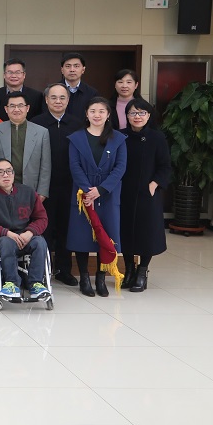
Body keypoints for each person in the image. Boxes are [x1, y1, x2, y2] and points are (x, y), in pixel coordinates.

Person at [68, 97, 127, 297]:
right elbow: (75, 166)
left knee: (106, 236)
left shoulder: (118, 139)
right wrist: (88, 190)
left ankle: (101, 278)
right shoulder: (76, 138)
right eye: (93, 111)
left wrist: (101, 190)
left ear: (108, 114)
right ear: (86, 114)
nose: (97, 115)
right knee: (82, 236)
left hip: (108, 195)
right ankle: (84, 278)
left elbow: (120, 167)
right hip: (83, 195)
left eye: (102, 111)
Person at [0, 158, 51, 301]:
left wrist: (30, 232)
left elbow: (42, 218)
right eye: (0, 172)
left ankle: (36, 284)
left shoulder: (28, 192)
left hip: (25, 236)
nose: (5, 175)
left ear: (14, 174)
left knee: (40, 242)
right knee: (6, 242)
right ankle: (11, 284)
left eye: (9, 171)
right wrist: (5, 232)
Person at [29, 83, 82, 286]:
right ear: (46, 100)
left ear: (68, 100)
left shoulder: (77, 124)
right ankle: (42, 270)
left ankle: (64, 269)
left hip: (70, 185)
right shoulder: (36, 123)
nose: (58, 101)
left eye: (62, 98)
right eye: (54, 97)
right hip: (44, 186)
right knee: (44, 227)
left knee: (66, 228)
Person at [119, 98, 172, 292]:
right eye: (133, 113)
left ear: (148, 115)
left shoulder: (157, 138)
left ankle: (142, 271)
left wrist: (154, 184)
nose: (137, 116)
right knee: (125, 231)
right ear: (127, 116)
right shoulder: (120, 136)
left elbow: (165, 166)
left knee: (146, 232)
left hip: (147, 193)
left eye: (142, 113)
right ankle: (129, 270)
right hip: (124, 192)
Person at [0, 91, 52, 200]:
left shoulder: (41, 132)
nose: (16, 109)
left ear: (27, 108)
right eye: (12, 106)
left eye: (20, 105)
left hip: (31, 189)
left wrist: (42, 193)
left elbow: (45, 166)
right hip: (1, 189)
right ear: (6, 109)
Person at [60, 52, 100, 120]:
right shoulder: (52, 91)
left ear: (83, 70)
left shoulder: (92, 93)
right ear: (62, 70)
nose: (72, 70)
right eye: (68, 66)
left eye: (76, 66)